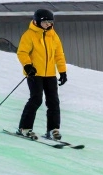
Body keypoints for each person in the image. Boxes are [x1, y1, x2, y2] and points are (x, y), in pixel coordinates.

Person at [16, 8, 68, 140]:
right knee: (36, 99)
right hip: (35, 74)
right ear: (37, 21)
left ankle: (53, 130)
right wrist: (28, 66)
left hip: (50, 74)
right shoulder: (29, 35)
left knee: (53, 102)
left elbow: (59, 54)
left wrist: (62, 71)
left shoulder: (53, 36)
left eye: (50, 22)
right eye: (46, 22)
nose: (48, 24)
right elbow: (22, 52)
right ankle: (24, 128)